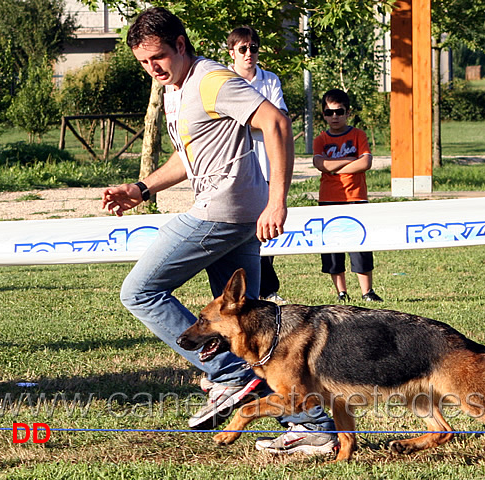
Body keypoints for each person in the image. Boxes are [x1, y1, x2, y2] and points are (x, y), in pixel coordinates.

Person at [101, 7, 337, 455]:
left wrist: (278, 200)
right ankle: (314, 427)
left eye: (158, 58)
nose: (152, 69)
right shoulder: (177, 89)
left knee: (139, 291)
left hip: (224, 213)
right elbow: (187, 159)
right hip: (235, 217)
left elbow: (276, 122)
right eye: (143, 62)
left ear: (181, 46)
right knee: (252, 326)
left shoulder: (212, 80)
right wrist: (141, 187)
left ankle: (230, 376)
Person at [227, 25, 287, 305]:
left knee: (266, 231)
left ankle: (266, 288)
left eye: (253, 48)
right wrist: (262, 122)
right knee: (240, 233)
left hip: (265, 167)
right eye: (243, 48)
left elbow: (278, 121)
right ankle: (240, 290)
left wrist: (257, 123)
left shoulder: (270, 80)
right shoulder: (225, 80)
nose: (249, 53)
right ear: (232, 52)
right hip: (235, 170)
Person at [312, 88, 383, 303]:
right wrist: (349, 161)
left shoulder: (358, 135)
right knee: (332, 248)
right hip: (329, 198)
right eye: (329, 112)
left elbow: (366, 162)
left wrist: (334, 167)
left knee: (360, 245)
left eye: (339, 112)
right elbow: (319, 164)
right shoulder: (320, 139)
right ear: (323, 114)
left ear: (347, 112)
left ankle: (367, 291)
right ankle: (341, 292)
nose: (335, 117)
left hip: (356, 197)